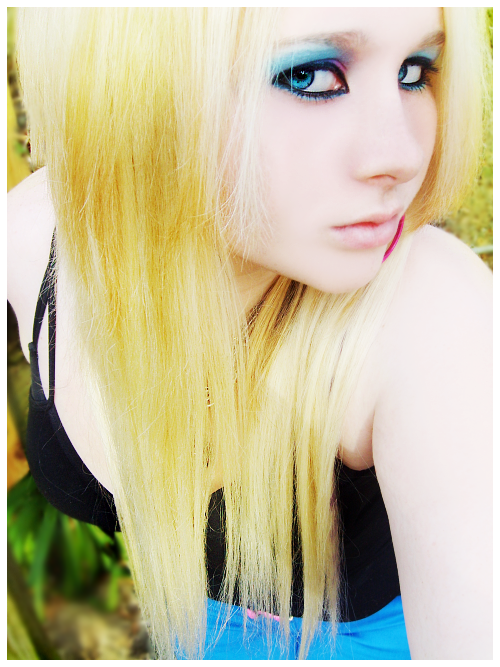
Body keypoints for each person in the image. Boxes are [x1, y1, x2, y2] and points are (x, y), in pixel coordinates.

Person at [8, 7, 492, 660]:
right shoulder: (31, 234)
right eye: (310, 75)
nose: (403, 155)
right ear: (131, 76)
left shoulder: (430, 313)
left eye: (415, 71)